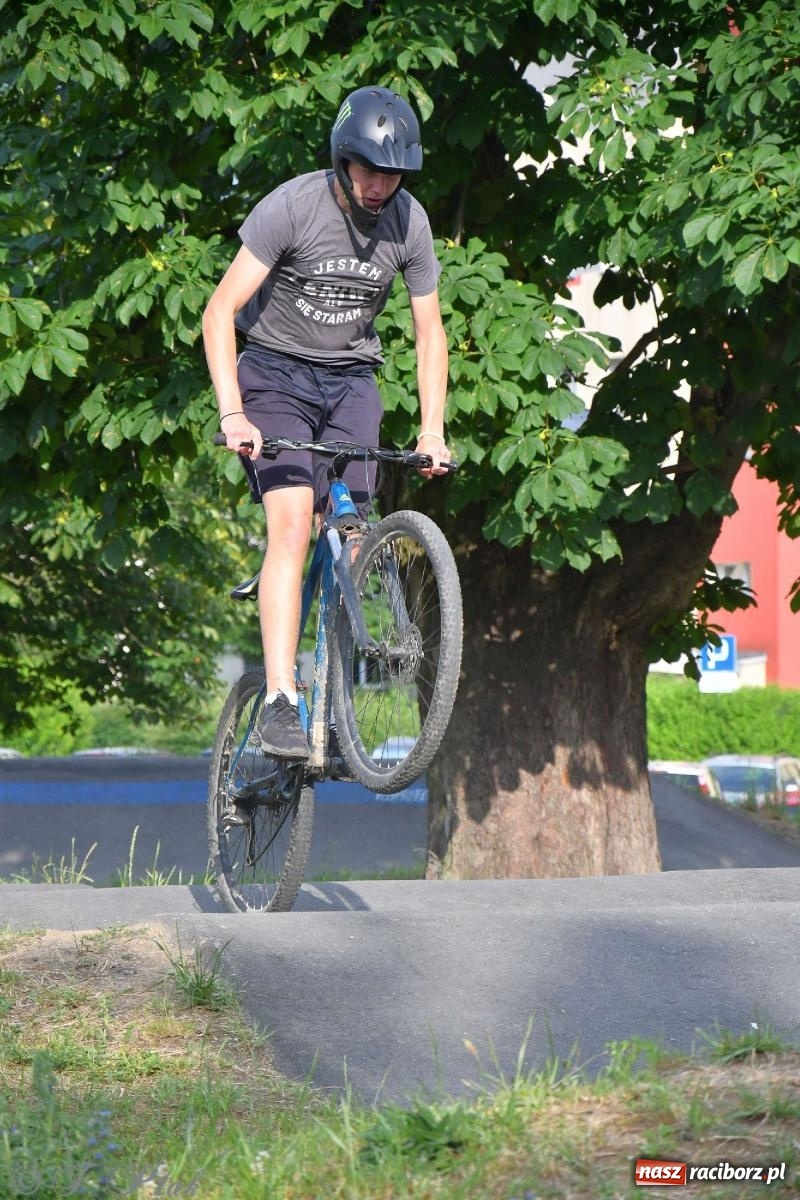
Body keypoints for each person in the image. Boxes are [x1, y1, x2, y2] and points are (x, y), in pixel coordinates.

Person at [202, 85, 450, 760]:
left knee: (350, 531)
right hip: (274, 375)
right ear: (343, 163)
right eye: (368, 170)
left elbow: (429, 332)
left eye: (392, 174)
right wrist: (233, 412)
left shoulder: (410, 223)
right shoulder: (292, 206)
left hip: (349, 382)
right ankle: (282, 701)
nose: (379, 186)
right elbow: (220, 312)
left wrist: (432, 429)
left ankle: (335, 698)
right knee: (291, 523)